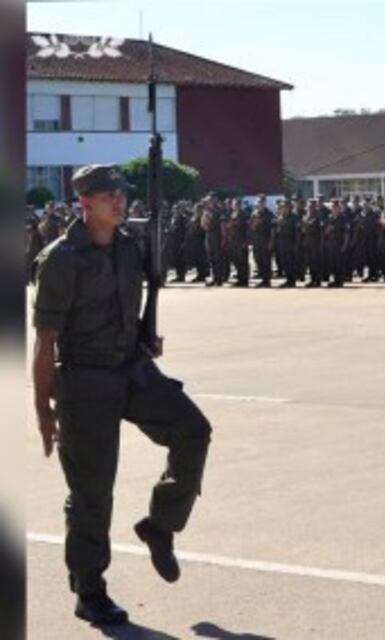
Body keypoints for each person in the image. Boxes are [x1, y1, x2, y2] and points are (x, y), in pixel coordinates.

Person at [32, 165, 211, 626]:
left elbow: (130, 311)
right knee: (92, 494)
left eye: (121, 194)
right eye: (108, 195)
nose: (119, 201)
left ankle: (160, 525)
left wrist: (146, 339)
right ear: (84, 202)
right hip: (85, 382)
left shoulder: (130, 248)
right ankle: (89, 591)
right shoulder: (61, 259)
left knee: (192, 430)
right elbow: (45, 342)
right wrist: (43, 410)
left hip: (131, 369)